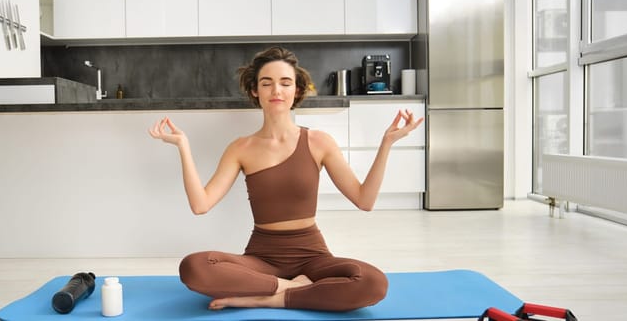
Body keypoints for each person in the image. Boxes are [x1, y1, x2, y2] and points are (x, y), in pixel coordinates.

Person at [148, 46, 423, 311]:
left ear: (297, 90)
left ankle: (268, 298)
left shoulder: (319, 142)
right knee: (194, 267)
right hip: (261, 258)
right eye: (266, 83)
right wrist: (183, 146)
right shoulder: (240, 148)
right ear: (255, 90)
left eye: (285, 82)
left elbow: (365, 200)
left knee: (374, 283)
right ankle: (288, 287)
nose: (276, 90)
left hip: (313, 257)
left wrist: (387, 143)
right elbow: (201, 204)